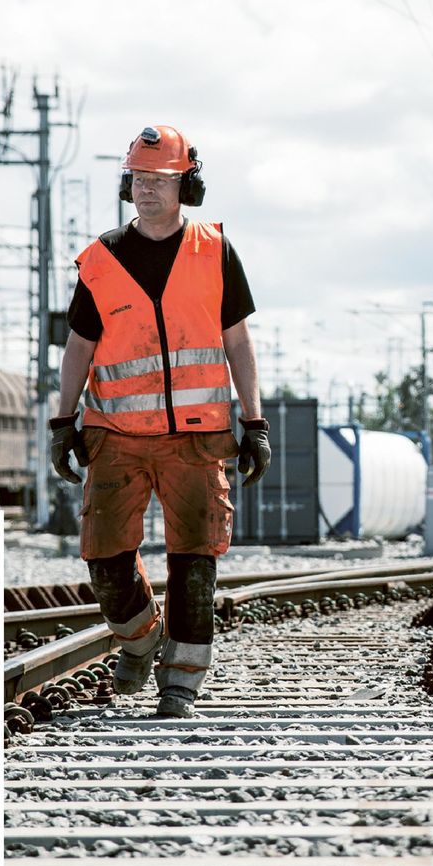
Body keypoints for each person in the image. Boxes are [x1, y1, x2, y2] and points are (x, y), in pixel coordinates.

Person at [50, 125, 270, 719]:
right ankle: (142, 639)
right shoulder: (101, 261)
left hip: (196, 437)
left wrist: (255, 421)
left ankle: (181, 683)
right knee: (104, 556)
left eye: (160, 180)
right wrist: (61, 421)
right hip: (116, 436)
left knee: (195, 558)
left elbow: (237, 342)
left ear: (186, 185)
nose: (147, 191)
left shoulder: (215, 252)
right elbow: (78, 347)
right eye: (139, 180)